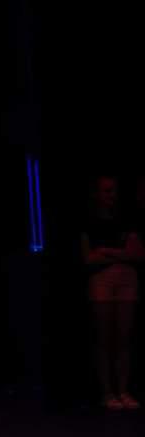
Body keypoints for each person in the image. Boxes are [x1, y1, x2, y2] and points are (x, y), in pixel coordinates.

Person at [81, 175, 142, 409]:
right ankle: (107, 392)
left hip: (126, 279)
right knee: (104, 338)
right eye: (106, 191)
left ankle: (123, 390)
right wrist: (120, 253)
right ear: (96, 194)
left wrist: (107, 251)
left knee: (124, 338)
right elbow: (88, 258)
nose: (111, 196)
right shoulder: (89, 221)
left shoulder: (127, 220)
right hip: (102, 280)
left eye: (113, 190)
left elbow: (137, 254)